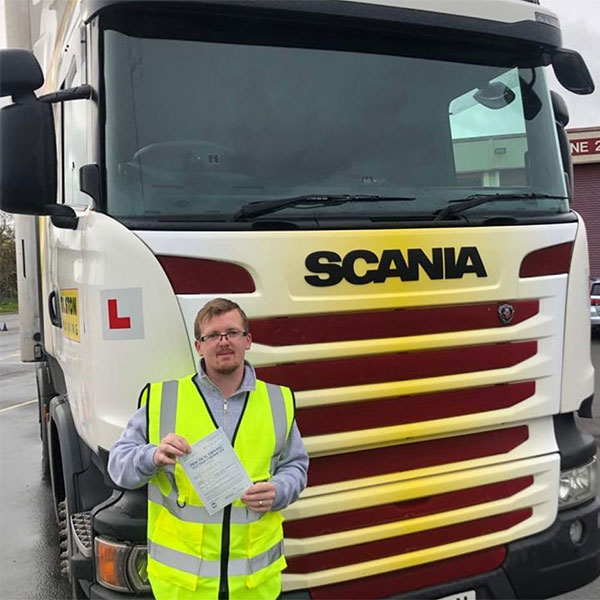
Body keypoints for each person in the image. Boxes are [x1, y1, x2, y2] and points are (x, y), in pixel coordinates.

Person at [108, 298, 309, 600]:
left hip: (253, 586)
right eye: (213, 335)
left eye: (232, 333)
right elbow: (118, 466)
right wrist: (151, 456)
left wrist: (280, 490)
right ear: (199, 346)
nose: (223, 342)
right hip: (185, 588)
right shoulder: (164, 398)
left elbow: (296, 466)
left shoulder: (277, 401)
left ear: (248, 340)